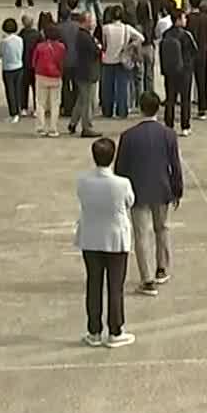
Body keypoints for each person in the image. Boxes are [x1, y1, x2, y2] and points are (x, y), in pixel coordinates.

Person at [114, 93, 183, 296]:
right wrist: (177, 190)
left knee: (141, 234)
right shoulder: (169, 134)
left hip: (138, 191)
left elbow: (121, 168)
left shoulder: (128, 136)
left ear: (141, 108)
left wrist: (121, 194)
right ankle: (162, 268)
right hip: (162, 189)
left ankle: (147, 279)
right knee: (162, 228)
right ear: (157, 109)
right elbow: (175, 166)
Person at [75, 137, 135, 347]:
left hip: (90, 237)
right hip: (115, 238)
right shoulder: (122, 183)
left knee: (94, 284)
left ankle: (94, 331)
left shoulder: (82, 180)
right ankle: (116, 330)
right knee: (115, 286)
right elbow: (130, 202)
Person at [31, 21, 67, 136]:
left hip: (41, 76)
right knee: (55, 104)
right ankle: (53, 129)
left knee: (41, 103)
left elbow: (33, 62)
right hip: (55, 77)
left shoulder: (40, 47)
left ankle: (41, 127)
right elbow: (62, 62)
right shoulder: (61, 47)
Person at [0, 18, 25, 123]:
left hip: (8, 68)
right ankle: (19, 109)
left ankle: (13, 113)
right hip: (19, 66)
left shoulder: (4, 41)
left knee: (10, 91)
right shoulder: (20, 39)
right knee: (18, 90)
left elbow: (0, 54)